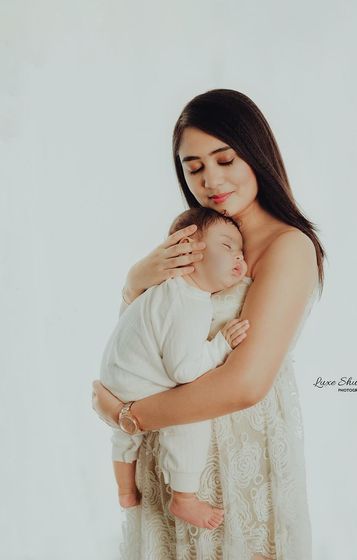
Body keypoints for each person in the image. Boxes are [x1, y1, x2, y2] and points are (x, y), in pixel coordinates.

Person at [92, 88, 326, 560]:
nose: (211, 179)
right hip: (172, 465)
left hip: (237, 465)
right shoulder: (196, 239)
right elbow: (144, 335)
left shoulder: (287, 247)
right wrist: (134, 281)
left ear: (256, 155)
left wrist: (127, 416)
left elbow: (245, 384)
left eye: (225, 159)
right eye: (194, 166)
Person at [100, 207, 250, 530]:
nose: (239, 258)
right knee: (189, 415)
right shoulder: (192, 303)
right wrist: (221, 344)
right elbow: (184, 370)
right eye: (227, 247)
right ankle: (184, 498)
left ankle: (126, 490)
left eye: (241, 252)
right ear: (189, 250)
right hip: (136, 382)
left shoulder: (166, 288)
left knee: (124, 438)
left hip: (117, 374)